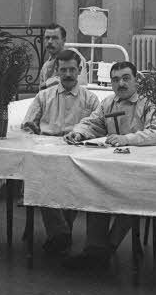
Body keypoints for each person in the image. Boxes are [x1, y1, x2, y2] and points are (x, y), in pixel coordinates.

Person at [61, 61, 156, 270]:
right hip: (113, 169)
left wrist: (127, 139)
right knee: (96, 187)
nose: (121, 84)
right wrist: (79, 133)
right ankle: (95, 249)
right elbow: (92, 123)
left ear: (137, 80)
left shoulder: (149, 103)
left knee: (131, 196)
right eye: (116, 80)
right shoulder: (108, 103)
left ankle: (106, 249)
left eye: (126, 78)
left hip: (142, 171)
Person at [21, 48, 102, 255]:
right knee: (42, 178)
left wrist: (81, 136)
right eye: (63, 70)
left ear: (80, 70)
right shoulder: (43, 96)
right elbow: (28, 126)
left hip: (77, 152)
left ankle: (59, 234)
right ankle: (61, 232)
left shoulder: (91, 99)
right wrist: (36, 141)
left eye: (72, 70)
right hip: (46, 150)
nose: (67, 74)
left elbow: (98, 128)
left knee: (74, 180)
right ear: (57, 71)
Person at [37, 23, 68, 88]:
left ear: (64, 40)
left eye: (54, 38)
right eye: (47, 38)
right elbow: (42, 90)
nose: (50, 41)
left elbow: (78, 84)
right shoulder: (45, 66)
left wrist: (47, 84)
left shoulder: (74, 59)